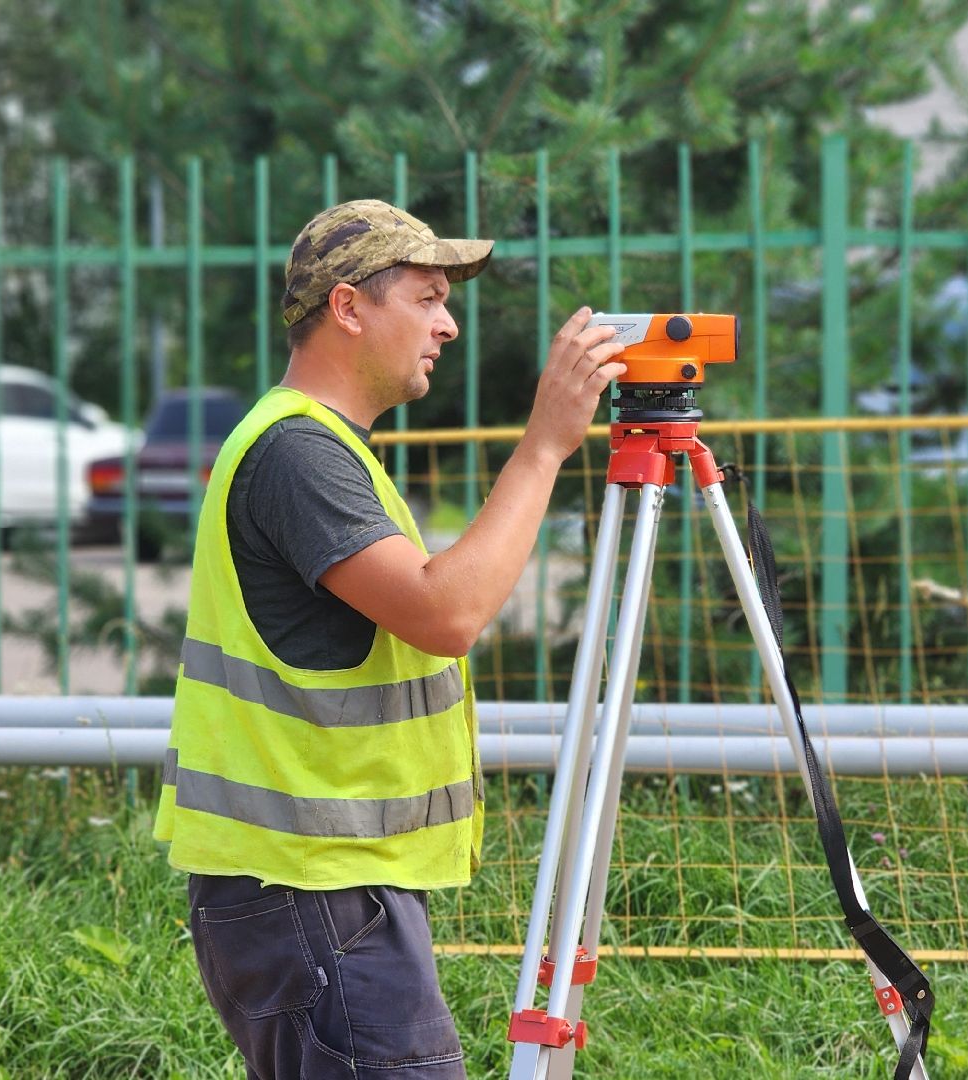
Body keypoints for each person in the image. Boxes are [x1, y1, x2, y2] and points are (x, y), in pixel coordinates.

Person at [153, 198, 628, 1080]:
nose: (448, 325)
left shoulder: (321, 446)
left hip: (320, 886)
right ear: (347, 306)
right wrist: (545, 447)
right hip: (313, 888)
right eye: (428, 298)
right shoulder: (299, 453)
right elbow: (446, 614)